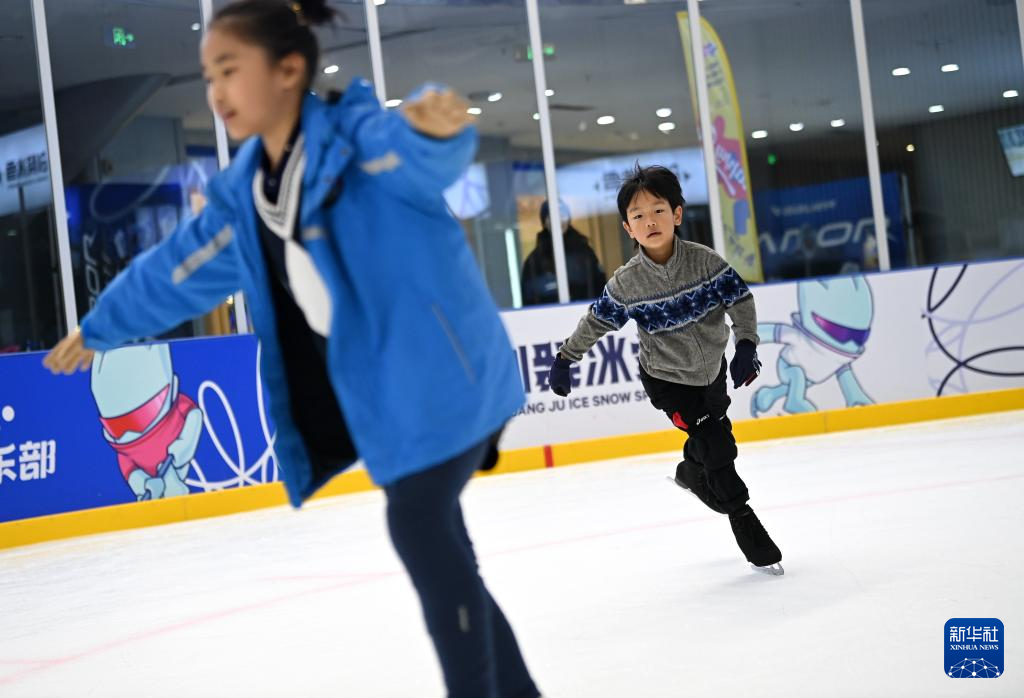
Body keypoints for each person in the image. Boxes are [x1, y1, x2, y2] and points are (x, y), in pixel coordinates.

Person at [42, 1, 540, 695]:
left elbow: (414, 152)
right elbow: (178, 268)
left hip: (448, 380)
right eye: (208, 76)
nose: (216, 92)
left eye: (229, 69)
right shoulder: (247, 195)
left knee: (419, 525)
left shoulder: (358, 142)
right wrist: (103, 325)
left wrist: (436, 128)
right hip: (386, 404)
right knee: (450, 559)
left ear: (288, 70)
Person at [546, 165, 783, 575]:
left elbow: (740, 300)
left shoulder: (705, 262)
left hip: (711, 372)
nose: (650, 221)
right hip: (667, 381)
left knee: (714, 440)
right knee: (717, 448)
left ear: (676, 214)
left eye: (658, 210)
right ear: (628, 228)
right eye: (638, 216)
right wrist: (566, 358)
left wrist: (746, 343)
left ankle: (691, 471)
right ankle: (748, 528)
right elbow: (597, 322)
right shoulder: (627, 283)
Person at [520, 199, 606, 305]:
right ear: (544, 221)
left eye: (562, 215)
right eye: (551, 216)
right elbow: (528, 296)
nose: (559, 221)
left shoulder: (585, 252)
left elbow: (599, 285)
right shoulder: (534, 260)